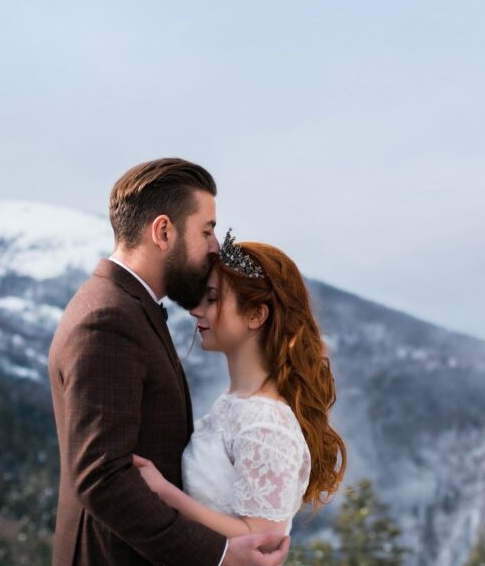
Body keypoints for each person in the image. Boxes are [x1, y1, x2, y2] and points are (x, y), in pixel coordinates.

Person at [48, 158, 291, 565]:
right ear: (163, 231)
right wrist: (218, 555)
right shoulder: (109, 319)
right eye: (207, 231)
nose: (215, 247)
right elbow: (101, 477)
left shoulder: (125, 307)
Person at [131, 231, 347, 542]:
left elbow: (262, 541)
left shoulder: (267, 424)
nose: (195, 310)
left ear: (256, 315)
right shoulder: (235, 403)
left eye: (213, 298)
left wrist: (163, 492)